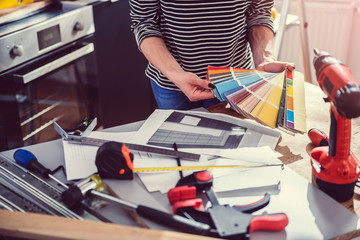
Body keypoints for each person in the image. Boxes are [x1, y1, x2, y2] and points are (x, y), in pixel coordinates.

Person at [129, 0, 295, 110]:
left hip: (236, 79)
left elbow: (258, 12)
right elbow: (144, 21)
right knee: (183, 155)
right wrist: (177, 75)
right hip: (172, 83)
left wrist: (264, 58)